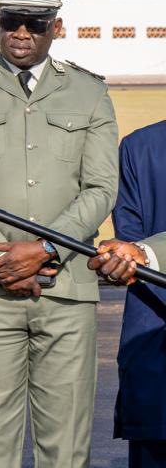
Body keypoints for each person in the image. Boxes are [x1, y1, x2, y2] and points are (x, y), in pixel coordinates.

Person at [0, 0, 119, 468]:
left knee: (66, 440)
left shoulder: (88, 92)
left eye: (35, 24)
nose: (22, 33)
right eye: (12, 21)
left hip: (67, 286)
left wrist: (45, 248)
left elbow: (101, 187)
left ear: (55, 28)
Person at [109, 120, 166, 467]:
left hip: (151, 325)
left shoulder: (137, 145)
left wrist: (143, 254)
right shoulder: (137, 147)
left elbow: (131, 240)